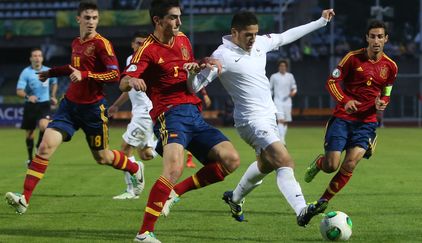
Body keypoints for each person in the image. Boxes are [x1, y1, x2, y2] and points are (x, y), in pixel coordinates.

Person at [182, 10, 335, 227]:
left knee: (265, 165)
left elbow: (286, 36)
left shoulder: (259, 44)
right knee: (284, 160)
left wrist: (320, 22)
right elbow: (195, 87)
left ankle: (234, 198)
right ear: (234, 32)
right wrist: (192, 73)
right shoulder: (221, 56)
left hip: (269, 116)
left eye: (255, 34)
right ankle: (301, 210)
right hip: (250, 121)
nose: (253, 39)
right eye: (248, 35)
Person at [5, 1, 144, 215]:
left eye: (94, 18)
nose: (91, 22)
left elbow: (115, 75)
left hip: (93, 110)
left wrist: (86, 75)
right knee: (44, 147)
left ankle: (134, 168)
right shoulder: (75, 42)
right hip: (69, 107)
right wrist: (51, 73)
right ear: (78, 19)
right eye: (87, 17)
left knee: (102, 158)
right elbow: (73, 68)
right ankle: (24, 199)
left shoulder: (102, 44)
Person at [119, 1, 240, 242]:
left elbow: (189, 68)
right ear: (158, 20)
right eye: (173, 18)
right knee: (174, 168)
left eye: (179, 17)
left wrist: (204, 62)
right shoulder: (147, 50)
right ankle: (144, 233)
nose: (179, 22)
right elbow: (124, 80)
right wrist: (131, 82)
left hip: (193, 114)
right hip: (169, 115)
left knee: (231, 160)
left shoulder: (183, 39)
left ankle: (174, 193)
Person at [303, 20, 398, 207]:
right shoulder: (352, 58)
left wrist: (383, 101)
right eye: (372, 36)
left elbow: (387, 90)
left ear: (386, 39)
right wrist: (346, 101)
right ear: (367, 38)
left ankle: (323, 201)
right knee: (331, 166)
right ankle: (319, 163)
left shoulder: (391, 66)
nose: (376, 40)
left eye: (380, 36)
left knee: (350, 164)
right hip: (343, 119)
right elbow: (332, 82)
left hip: (367, 123)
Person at [108, 31, 158, 200]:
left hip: (145, 112)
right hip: (139, 112)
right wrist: (116, 105)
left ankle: (132, 191)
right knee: (146, 155)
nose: (140, 46)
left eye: (144, 43)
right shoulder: (131, 61)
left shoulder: (148, 61)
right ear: (132, 44)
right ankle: (160, 144)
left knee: (125, 149)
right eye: (138, 43)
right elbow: (128, 87)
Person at [16, 48, 58, 163]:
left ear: (42, 58)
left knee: (45, 126)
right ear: (31, 59)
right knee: (29, 134)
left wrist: (53, 95)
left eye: (39, 55)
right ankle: (30, 158)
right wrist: (28, 97)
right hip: (30, 105)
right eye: (34, 56)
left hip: (44, 104)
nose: (37, 58)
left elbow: (54, 82)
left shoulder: (48, 71)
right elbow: (19, 90)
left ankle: (39, 145)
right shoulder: (26, 72)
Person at [269, 59, 297, 145]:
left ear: (286, 67)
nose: (282, 67)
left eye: (284, 66)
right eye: (281, 66)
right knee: (280, 120)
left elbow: (294, 87)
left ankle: (282, 138)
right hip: (277, 101)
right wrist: (269, 100)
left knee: (285, 121)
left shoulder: (290, 76)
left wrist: (293, 92)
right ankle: (281, 140)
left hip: (288, 101)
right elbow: (270, 89)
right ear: (278, 67)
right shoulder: (274, 76)